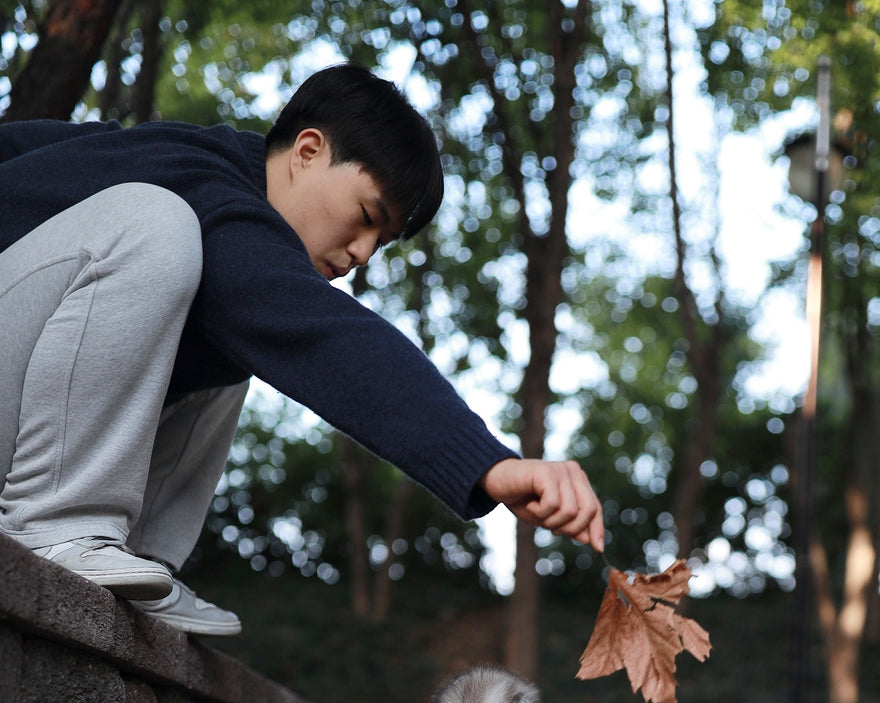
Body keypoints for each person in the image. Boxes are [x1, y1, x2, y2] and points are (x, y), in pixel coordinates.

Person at [0, 63, 603, 634]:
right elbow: (321, 332)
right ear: (308, 151)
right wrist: (486, 463)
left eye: (382, 241)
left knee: (232, 320)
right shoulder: (189, 178)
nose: (364, 254)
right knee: (160, 223)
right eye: (367, 215)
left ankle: (136, 559)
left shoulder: (195, 187)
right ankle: (57, 527)